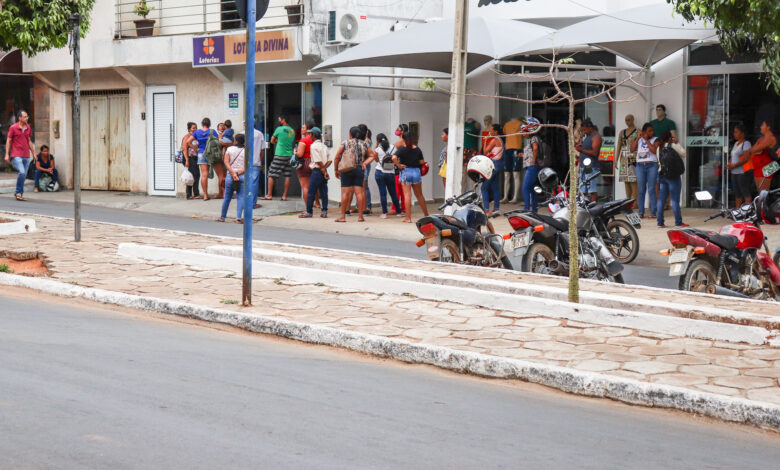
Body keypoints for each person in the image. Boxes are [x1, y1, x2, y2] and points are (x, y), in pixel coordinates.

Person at [334, 126, 376, 223]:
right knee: (359, 193)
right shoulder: (364, 143)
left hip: (346, 169)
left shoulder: (345, 143)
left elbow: (337, 156)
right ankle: (360, 216)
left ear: (350, 134)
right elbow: (372, 156)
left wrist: (336, 169)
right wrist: (365, 163)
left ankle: (342, 216)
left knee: (345, 193)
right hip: (359, 169)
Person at [392, 131, 429, 223]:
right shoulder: (417, 149)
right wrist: (415, 162)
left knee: (407, 195)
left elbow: (393, 158)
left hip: (406, 172)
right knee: (419, 195)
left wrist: (399, 165)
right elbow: (422, 162)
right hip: (416, 172)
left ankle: (408, 218)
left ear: (403, 140)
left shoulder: (402, 149)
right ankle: (426, 215)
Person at [656, 132, 688, 228]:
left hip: (662, 175)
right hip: (673, 176)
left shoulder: (659, 147)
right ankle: (678, 222)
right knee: (674, 200)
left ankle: (660, 222)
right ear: (670, 138)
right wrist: (677, 143)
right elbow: (684, 153)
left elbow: (658, 161)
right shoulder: (673, 145)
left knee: (661, 200)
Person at [4, 110, 35, 201]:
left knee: (24, 175)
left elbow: (29, 141)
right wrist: (7, 154)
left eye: (27, 116)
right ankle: (18, 192)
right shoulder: (13, 128)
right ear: (20, 118)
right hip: (16, 154)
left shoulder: (28, 127)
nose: (27, 118)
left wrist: (33, 153)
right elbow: (8, 141)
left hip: (26, 155)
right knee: (21, 172)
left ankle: (19, 193)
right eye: (25, 117)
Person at [631, 123, 660, 219]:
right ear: (644, 132)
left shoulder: (656, 139)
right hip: (640, 166)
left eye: (652, 130)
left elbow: (654, 150)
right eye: (649, 131)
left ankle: (653, 212)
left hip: (652, 165)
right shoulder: (639, 140)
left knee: (651, 189)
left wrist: (647, 140)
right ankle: (641, 212)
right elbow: (632, 149)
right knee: (641, 189)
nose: (652, 132)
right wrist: (638, 139)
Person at [263, 115, 295, 200]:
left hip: (280, 155)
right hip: (289, 155)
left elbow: (272, 141)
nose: (279, 120)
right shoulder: (292, 130)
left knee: (271, 174)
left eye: (280, 119)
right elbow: (288, 141)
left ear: (283, 120)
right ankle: (284, 196)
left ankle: (269, 195)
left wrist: (277, 141)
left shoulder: (279, 129)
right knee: (287, 175)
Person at [299, 127, 330, 218]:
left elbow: (317, 160)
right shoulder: (324, 146)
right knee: (324, 192)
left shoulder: (313, 146)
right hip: (324, 171)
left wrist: (322, 168)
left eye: (310, 134)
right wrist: (324, 169)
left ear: (313, 135)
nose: (309, 136)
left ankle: (309, 212)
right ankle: (324, 211)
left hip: (317, 171)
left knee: (311, 192)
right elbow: (330, 160)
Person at [217, 133, 246, 224]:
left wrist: (233, 173)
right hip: (242, 176)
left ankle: (222, 217)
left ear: (235, 140)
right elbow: (247, 166)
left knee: (227, 197)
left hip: (230, 176)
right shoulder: (247, 151)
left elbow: (226, 162)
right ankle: (238, 218)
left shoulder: (229, 149)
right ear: (244, 142)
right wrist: (237, 173)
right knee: (240, 197)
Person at [742, 120, 777, 192]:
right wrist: (753, 151)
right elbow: (751, 150)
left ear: (768, 127)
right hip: (758, 168)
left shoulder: (770, 138)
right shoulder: (761, 139)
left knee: (763, 192)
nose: (760, 127)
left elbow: (754, 150)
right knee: (759, 192)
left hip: (768, 167)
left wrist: (753, 150)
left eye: (762, 125)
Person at [574, 118, 602, 202]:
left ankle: (594, 206)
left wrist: (581, 150)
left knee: (592, 190)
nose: (584, 132)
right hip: (584, 167)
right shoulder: (588, 136)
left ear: (590, 128)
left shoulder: (596, 136)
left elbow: (595, 152)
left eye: (585, 130)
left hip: (591, 167)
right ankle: (584, 206)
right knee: (582, 189)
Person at [374, 132, 401, 219]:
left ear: (378, 141)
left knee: (383, 193)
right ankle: (398, 212)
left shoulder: (378, 149)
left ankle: (384, 213)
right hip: (390, 172)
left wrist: (376, 147)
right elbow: (396, 158)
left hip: (380, 172)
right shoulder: (393, 147)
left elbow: (376, 160)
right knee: (393, 193)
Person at [192, 118, 219, 201]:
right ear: (209, 124)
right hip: (211, 153)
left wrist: (196, 148)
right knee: (216, 173)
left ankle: (205, 195)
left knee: (204, 175)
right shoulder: (212, 131)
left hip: (201, 153)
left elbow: (188, 142)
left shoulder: (197, 132)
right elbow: (218, 141)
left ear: (202, 123)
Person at [726, 125, 753, 206]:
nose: (734, 134)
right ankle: (738, 210)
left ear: (742, 133)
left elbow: (746, 158)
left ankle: (748, 210)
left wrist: (734, 165)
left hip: (742, 172)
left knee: (745, 191)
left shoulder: (746, 143)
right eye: (734, 132)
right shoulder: (736, 143)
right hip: (734, 172)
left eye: (736, 132)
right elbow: (733, 156)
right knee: (737, 193)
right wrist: (729, 164)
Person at [615, 114, 639, 208]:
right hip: (624, 158)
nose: (627, 122)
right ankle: (628, 201)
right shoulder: (622, 132)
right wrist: (616, 160)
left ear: (633, 120)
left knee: (633, 180)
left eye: (629, 120)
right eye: (626, 120)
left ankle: (635, 202)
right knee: (626, 180)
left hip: (633, 157)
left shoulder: (638, 131)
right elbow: (619, 146)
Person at [481, 124, 504, 215]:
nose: (490, 132)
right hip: (498, 164)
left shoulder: (495, 140)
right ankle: (496, 209)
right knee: (495, 187)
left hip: (493, 164)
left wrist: (485, 141)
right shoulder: (500, 139)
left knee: (484, 187)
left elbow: (485, 151)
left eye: (491, 130)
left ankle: (486, 210)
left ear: (495, 132)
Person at [502, 117, 524, 203]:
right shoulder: (506, 124)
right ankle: (505, 197)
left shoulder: (520, 124)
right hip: (507, 149)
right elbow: (504, 133)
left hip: (517, 148)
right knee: (506, 174)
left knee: (516, 174)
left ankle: (515, 197)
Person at [295, 121, 314, 208]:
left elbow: (300, 154)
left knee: (305, 187)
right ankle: (316, 203)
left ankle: (308, 209)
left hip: (305, 163)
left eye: (303, 128)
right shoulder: (315, 140)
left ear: (308, 130)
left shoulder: (303, 140)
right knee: (312, 186)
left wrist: (295, 152)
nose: (301, 129)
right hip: (314, 163)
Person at [391, 123, 409, 214]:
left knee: (397, 188)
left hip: (399, 166)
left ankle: (395, 208)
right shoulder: (409, 140)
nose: (396, 131)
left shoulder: (401, 141)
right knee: (403, 189)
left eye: (398, 129)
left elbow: (392, 152)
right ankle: (403, 207)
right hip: (406, 166)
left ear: (402, 131)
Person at [521, 131, 541, 212]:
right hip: (534, 166)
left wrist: (533, 160)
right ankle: (534, 210)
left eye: (524, 132)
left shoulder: (533, 138)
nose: (523, 134)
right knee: (533, 190)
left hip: (532, 166)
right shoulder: (534, 139)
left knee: (525, 189)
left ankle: (526, 210)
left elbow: (535, 148)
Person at [181, 122, 200, 199]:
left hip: (194, 158)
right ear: (189, 129)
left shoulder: (195, 136)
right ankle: (194, 194)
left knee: (193, 175)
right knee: (194, 175)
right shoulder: (187, 137)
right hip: (189, 158)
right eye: (193, 128)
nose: (195, 129)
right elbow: (184, 149)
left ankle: (190, 194)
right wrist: (187, 160)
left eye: (196, 127)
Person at [251, 127, 265, 209]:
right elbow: (262, 150)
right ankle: (253, 203)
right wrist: (260, 161)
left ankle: (244, 203)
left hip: (243, 163)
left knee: (244, 183)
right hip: (255, 161)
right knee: (254, 183)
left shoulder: (241, 133)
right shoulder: (259, 134)